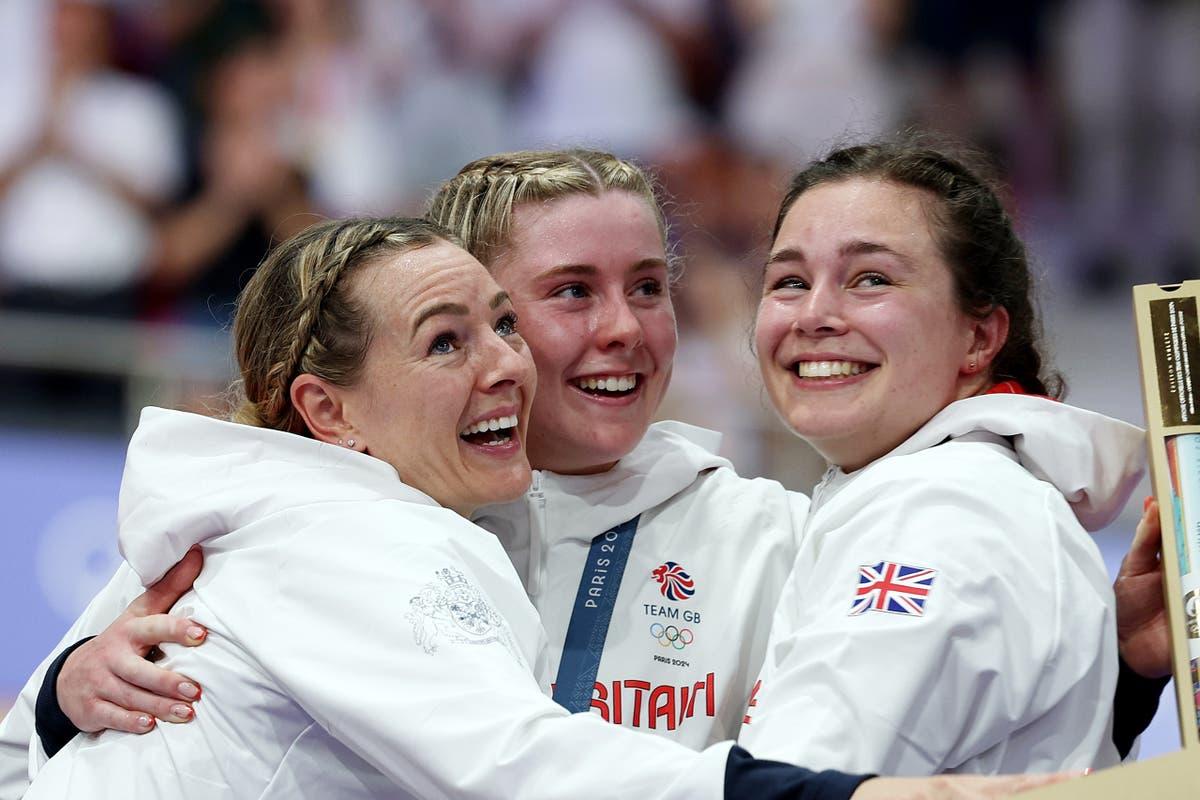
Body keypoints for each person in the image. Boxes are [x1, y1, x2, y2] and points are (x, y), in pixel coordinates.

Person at [5, 149, 1168, 781]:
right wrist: (68, 697)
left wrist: (1105, 668)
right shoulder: (283, 508)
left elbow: (937, 710)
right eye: (564, 296)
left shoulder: (776, 533)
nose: (623, 329)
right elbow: (23, 754)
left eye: (650, 288)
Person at [740, 140, 1146, 775]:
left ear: (979, 336)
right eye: (790, 281)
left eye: (870, 278)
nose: (814, 314)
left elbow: (798, 784)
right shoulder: (947, 490)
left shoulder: (941, 509)